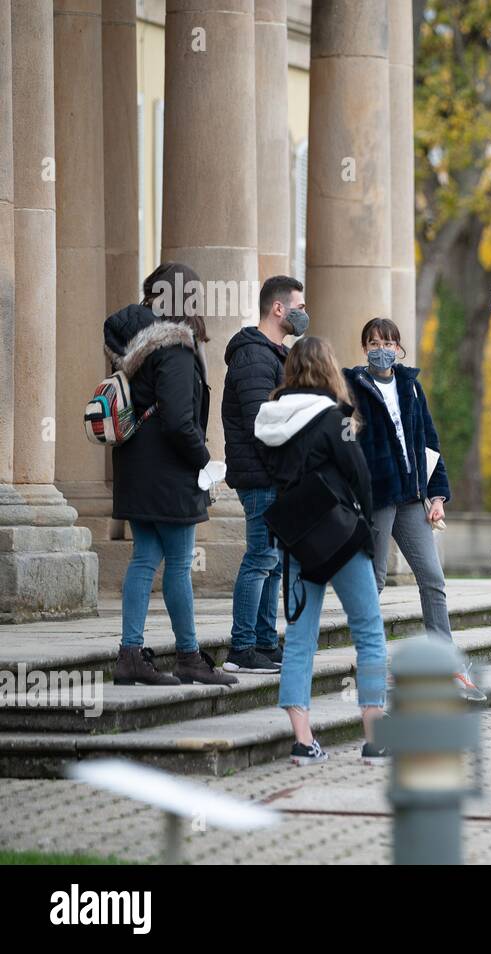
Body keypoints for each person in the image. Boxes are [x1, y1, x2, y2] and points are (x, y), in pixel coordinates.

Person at [254, 336, 387, 766]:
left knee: (299, 638)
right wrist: (369, 528)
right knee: (368, 632)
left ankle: (302, 740)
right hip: (343, 537)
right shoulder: (338, 417)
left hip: (297, 541)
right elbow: (361, 477)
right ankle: (375, 738)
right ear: (329, 369)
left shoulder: (268, 421)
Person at [104, 263, 237, 687]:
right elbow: (180, 421)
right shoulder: (176, 348)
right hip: (170, 473)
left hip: (136, 467)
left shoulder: (134, 346)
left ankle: (130, 654)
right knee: (179, 564)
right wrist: (205, 461)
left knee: (145, 558)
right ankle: (188, 656)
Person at [341, 317, 484, 702]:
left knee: (432, 577)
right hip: (377, 497)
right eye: (372, 342)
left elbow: (429, 442)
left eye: (386, 341)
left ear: (398, 346)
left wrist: (437, 496)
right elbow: (343, 442)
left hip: (411, 497)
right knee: (374, 580)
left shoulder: (410, 385)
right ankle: (371, 663)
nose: (380, 348)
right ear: (364, 347)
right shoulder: (352, 386)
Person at [220, 275, 306, 674]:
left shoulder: (274, 354)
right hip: (261, 477)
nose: (304, 314)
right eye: (300, 308)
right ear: (278, 308)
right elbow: (262, 425)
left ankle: (265, 642)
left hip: (274, 477)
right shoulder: (254, 356)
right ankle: (242, 648)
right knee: (260, 559)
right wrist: (282, 472)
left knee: (273, 562)